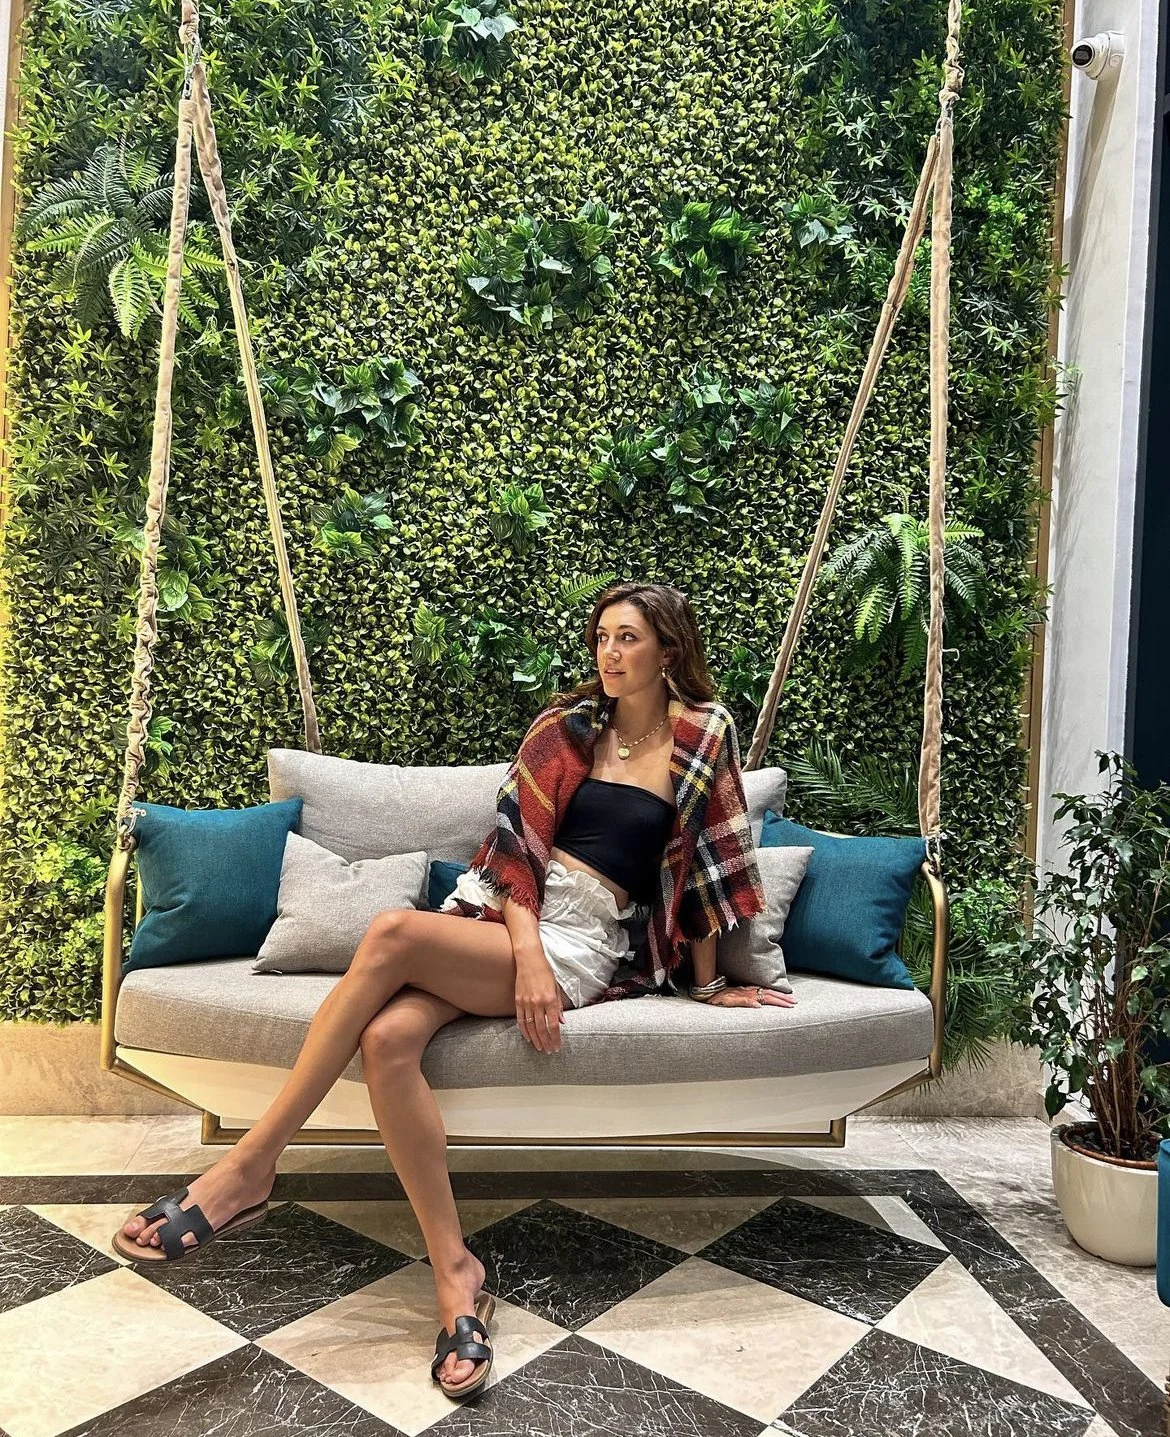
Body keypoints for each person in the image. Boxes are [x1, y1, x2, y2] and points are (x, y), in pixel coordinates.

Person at [111, 581, 798, 1398]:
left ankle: (249, 1166)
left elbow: (708, 865)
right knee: (389, 1040)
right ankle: (456, 1274)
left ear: (668, 650)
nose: (609, 655)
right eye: (602, 638)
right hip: (508, 923)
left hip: (585, 939)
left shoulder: (701, 735)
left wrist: (713, 981)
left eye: (628, 638)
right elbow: (511, 861)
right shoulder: (566, 731)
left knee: (394, 933)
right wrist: (524, 956)